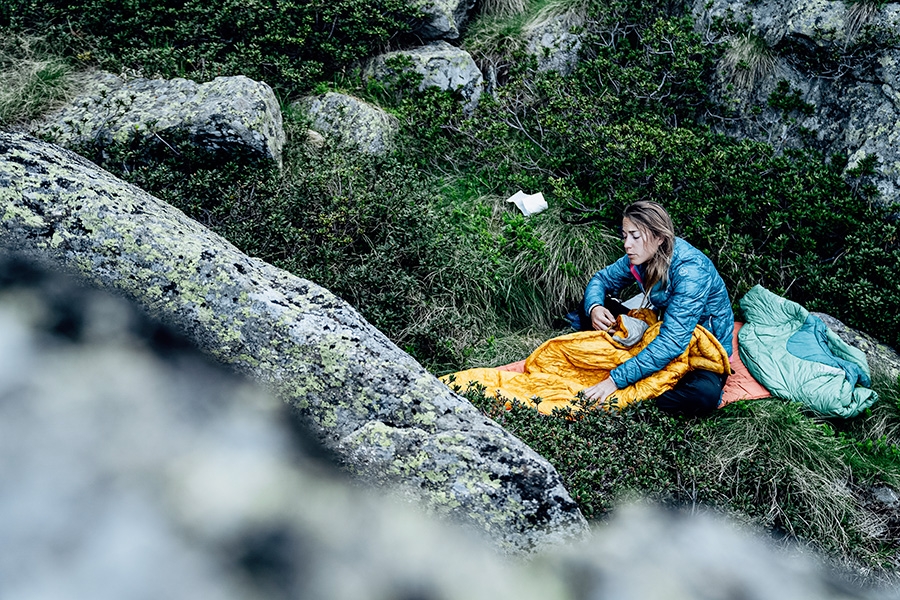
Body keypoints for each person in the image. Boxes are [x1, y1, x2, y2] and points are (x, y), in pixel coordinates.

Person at [582, 201, 734, 416]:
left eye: (635, 236)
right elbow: (602, 279)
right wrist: (595, 307)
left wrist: (615, 380)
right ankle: (641, 385)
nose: (627, 244)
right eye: (625, 235)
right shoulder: (641, 256)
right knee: (590, 308)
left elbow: (673, 342)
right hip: (663, 328)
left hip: (701, 346)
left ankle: (635, 400)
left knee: (703, 395)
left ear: (659, 237)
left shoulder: (691, 272)